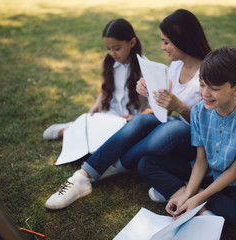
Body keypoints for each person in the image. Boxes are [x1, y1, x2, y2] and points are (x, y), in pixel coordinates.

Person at [45, 9, 211, 210]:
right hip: (177, 132)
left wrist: (180, 107)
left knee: (171, 129)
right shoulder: (177, 65)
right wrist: (149, 92)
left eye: (166, 42)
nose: (162, 47)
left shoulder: (208, 73)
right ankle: (81, 177)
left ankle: (107, 167)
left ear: (182, 39)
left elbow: (213, 125)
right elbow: (163, 108)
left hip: (198, 142)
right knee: (140, 121)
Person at [138, 47, 236, 231]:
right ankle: (189, 194)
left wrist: (197, 197)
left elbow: (233, 172)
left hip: (234, 182)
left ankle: (194, 195)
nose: (205, 93)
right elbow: (201, 161)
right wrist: (189, 193)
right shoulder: (197, 112)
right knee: (146, 163)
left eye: (214, 89)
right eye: (202, 84)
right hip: (204, 174)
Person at [42, 18, 148, 141]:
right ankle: (73, 130)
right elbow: (105, 90)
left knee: (114, 137)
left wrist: (138, 119)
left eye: (116, 48)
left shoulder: (145, 66)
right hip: (109, 114)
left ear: (132, 42)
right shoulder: (108, 63)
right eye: (108, 49)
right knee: (50, 133)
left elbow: (147, 104)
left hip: (129, 120)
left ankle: (73, 131)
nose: (112, 53)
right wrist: (97, 104)